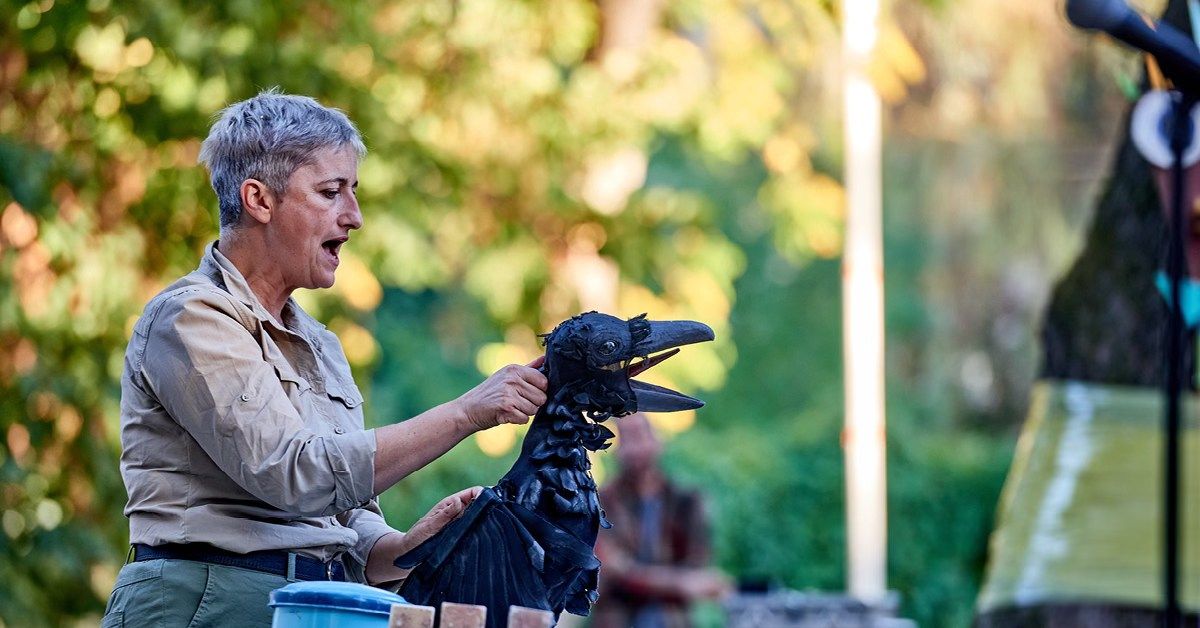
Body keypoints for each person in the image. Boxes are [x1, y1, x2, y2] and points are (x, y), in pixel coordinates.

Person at [102, 90, 548, 627]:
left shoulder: (322, 344)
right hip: (203, 603)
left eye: (353, 192)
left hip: (317, 606)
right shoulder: (190, 319)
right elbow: (294, 474)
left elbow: (340, 520)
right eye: (331, 192)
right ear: (259, 200)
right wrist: (467, 413)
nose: (355, 216)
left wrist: (406, 544)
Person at [592, 412, 732, 628]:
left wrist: (689, 582)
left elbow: (699, 566)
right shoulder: (603, 501)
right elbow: (611, 566)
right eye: (627, 438)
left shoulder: (685, 501)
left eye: (640, 435)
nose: (636, 448)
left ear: (657, 440)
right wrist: (677, 583)